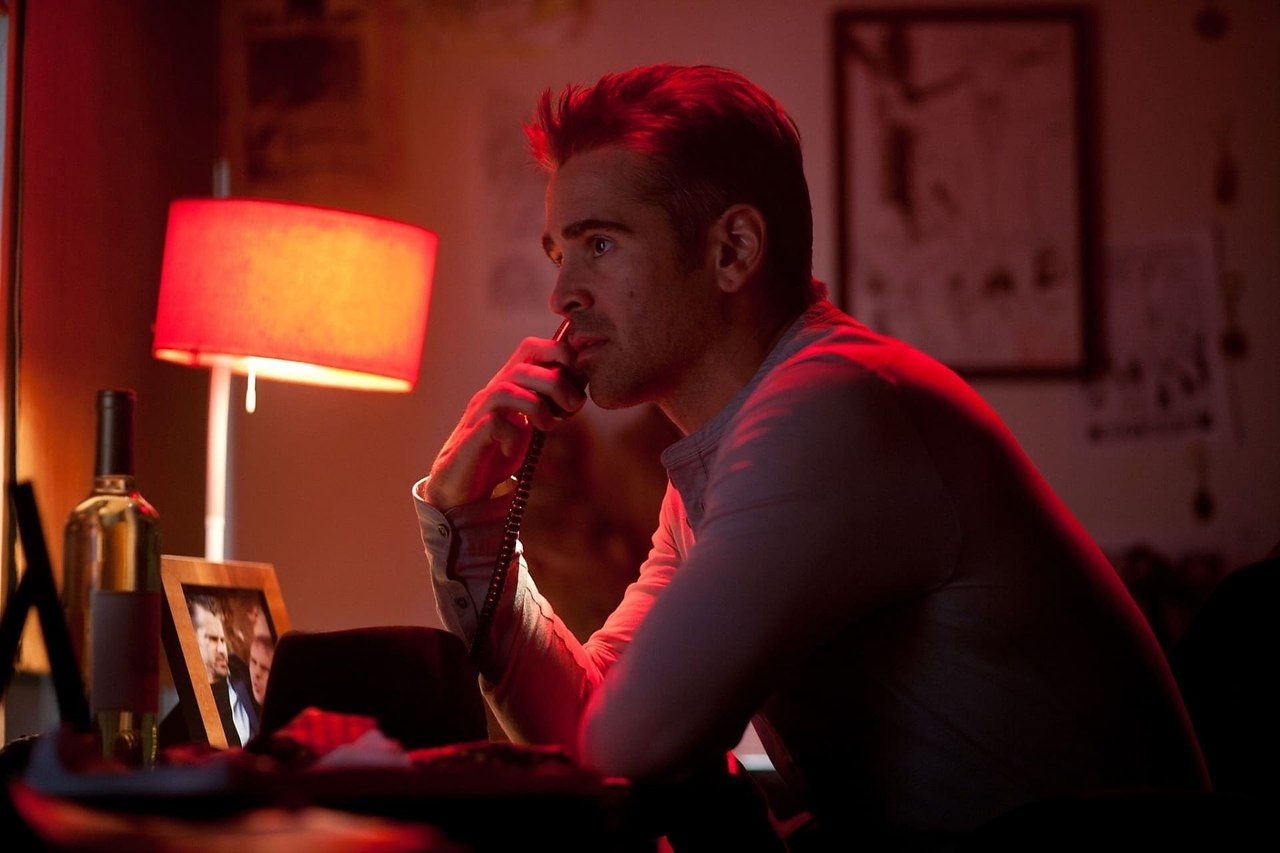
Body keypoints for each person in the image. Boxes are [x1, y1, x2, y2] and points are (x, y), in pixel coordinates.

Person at [412, 64, 1208, 848]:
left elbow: (625, 749)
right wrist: (466, 520)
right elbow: (590, 729)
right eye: (560, 253)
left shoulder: (830, 409)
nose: (562, 296)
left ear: (733, 251)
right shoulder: (726, 457)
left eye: (599, 243)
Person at [189, 594, 259, 748]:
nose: (222, 650)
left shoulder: (243, 672)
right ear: (191, 640)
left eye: (222, 640)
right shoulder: (188, 697)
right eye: (213, 639)